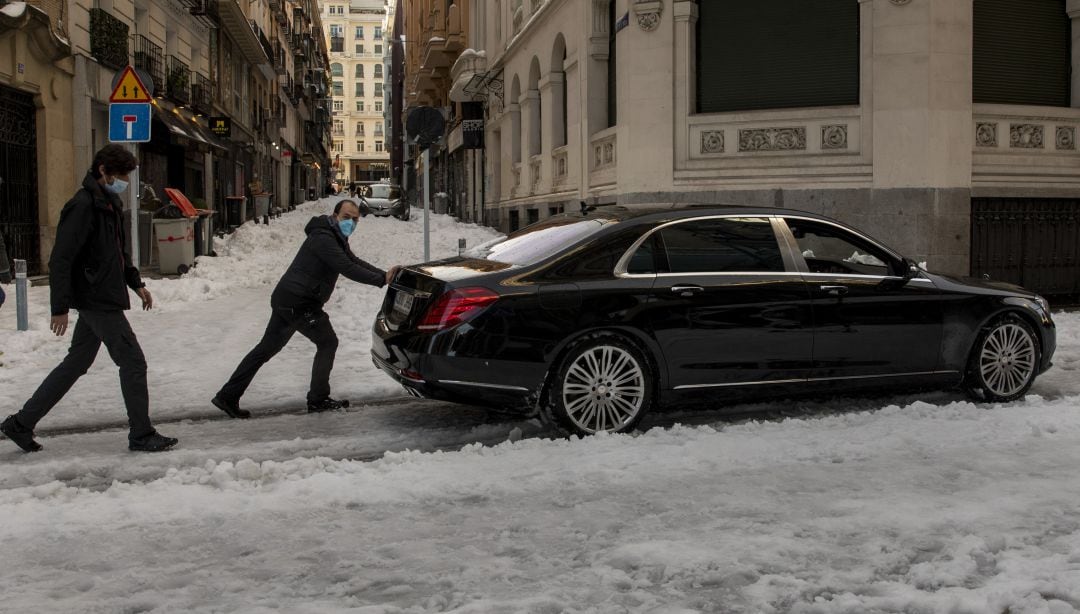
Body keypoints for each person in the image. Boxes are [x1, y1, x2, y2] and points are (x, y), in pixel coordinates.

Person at [1, 145, 178, 453]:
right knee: (133, 362)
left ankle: (20, 424)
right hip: (97, 300)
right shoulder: (82, 206)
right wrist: (59, 307)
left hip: (103, 295)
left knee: (76, 363)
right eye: (120, 175)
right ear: (103, 171)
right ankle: (141, 434)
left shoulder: (107, 202)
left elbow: (116, 254)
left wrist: (136, 284)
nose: (124, 181)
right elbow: (61, 259)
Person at [212, 199, 399, 418]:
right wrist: (381, 279)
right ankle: (318, 399)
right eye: (347, 217)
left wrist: (384, 275)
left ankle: (228, 395)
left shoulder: (335, 236)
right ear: (334, 215)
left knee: (266, 349)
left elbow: (353, 260)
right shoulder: (324, 238)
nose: (351, 223)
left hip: (290, 299)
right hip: (298, 302)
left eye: (355, 219)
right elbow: (346, 267)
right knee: (327, 342)